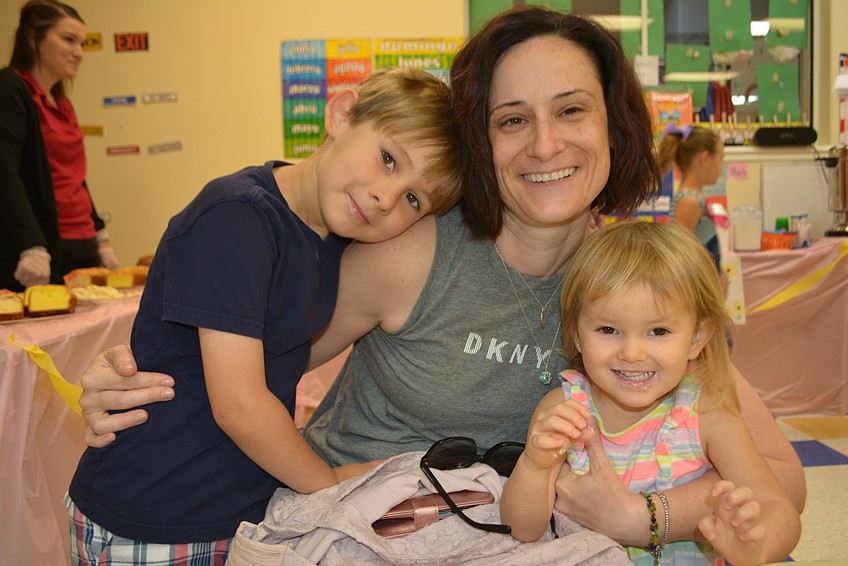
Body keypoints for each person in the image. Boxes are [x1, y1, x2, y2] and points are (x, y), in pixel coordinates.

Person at [75, 5, 806, 553]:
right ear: (479, 143)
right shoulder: (409, 246)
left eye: (571, 111)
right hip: (350, 527)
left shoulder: (634, 283)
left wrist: (642, 516)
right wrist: (132, 379)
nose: (545, 144)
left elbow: (783, 479)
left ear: (614, 126)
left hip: (502, 538)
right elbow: (249, 366)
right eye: (512, 120)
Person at [66, 67, 463, 565]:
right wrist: (327, 483)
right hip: (153, 510)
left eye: (413, 199)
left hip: (231, 510)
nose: (387, 197)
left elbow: (286, 357)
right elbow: (239, 404)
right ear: (342, 114)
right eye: (388, 159)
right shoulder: (238, 215)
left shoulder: (331, 244)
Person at [500, 220, 800, 564]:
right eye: (608, 329)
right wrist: (534, 467)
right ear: (577, 335)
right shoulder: (563, 409)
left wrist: (756, 546)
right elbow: (522, 529)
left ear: (697, 338)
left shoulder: (707, 414)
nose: (632, 353)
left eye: (658, 331)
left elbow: (779, 509)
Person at [0, 0, 118, 293]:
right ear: (32, 38)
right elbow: (4, 171)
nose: (79, 53)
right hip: (43, 251)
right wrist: (31, 246)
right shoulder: (10, 89)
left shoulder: (62, 102)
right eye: (68, 40)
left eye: (82, 43)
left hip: (82, 245)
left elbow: (75, 177)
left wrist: (100, 234)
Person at [657, 123, 725, 273]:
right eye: (720, 159)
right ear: (705, 158)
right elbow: (682, 254)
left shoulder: (693, 198)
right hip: (697, 278)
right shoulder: (689, 201)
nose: (721, 167)